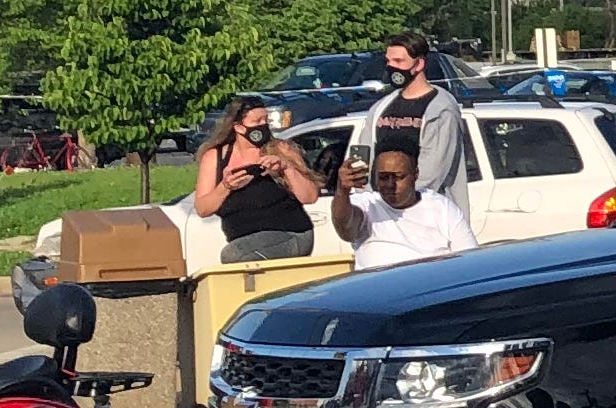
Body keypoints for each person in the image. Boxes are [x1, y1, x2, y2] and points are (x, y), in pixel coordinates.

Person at [188, 99, 323, 262]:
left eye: (266, 120)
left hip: (290, 234)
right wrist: (226, 186)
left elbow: (310, 197)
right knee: (238, 254)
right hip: (245, 239)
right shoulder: (216, 157)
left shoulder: (282, 149)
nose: (263, 125)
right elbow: (203, 209)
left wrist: (286, 168)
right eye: (256, 121)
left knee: (233, 255)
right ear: (238, 127)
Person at [333, 127, 477, 270]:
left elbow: (469, 262)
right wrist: (342, 191)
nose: (390, 184)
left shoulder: (442, 208)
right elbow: (345, 228)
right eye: (383, 177)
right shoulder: (367, 204)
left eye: (398, 177)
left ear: (415, 174)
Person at [354, 33, 470, 205]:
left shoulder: (440, 109)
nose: (391, 67)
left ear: (419, 64)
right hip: (381, 213)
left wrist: (396, 201)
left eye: (399, 61)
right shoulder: (380, 107)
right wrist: (370, 198)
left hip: (427, 215)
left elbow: (432, 174)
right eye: (388, 61)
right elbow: (363, 159)